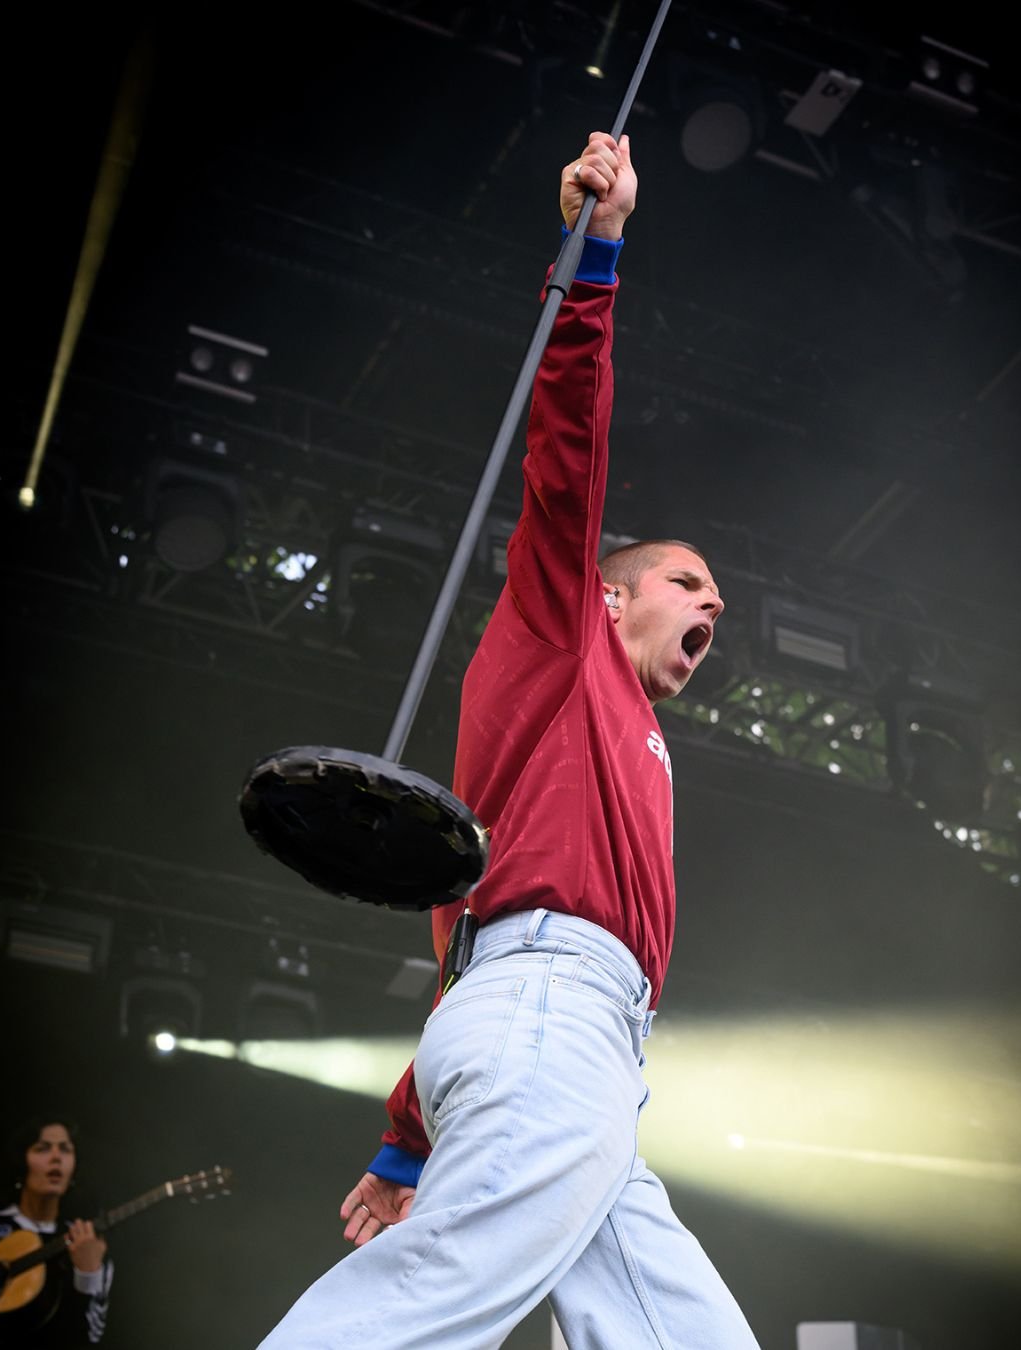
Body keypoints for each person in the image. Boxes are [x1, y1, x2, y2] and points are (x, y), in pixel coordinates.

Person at [260, 132, 759, 1349]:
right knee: (431, 1305)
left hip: (561, 1041)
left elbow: (474, 947)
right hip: (550, 1023)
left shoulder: (619, 733)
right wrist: (596, 253)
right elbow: (566, 454)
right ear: (607, 595)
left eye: (719, 604)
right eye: (688, 583)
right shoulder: (559, 626)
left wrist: (405, 1137)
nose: (712, 607)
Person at [0, 1117, 112, 1346]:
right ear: (21, 1161)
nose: (56, 1158)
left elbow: (89, 1340)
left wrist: (88, 1275)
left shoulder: (85, 1244)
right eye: (42, 1148)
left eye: (65, 1149)